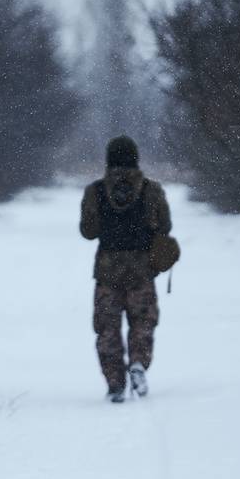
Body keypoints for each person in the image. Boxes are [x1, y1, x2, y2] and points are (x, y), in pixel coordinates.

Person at [80, 135, 172, 403]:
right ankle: (139, 363)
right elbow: (164, 227)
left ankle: (115, 383)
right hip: (142, 269)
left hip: (107, 271)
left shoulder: (95, 191)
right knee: (143, 322)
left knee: (107, 328)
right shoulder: (152, 190)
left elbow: (88, 231)